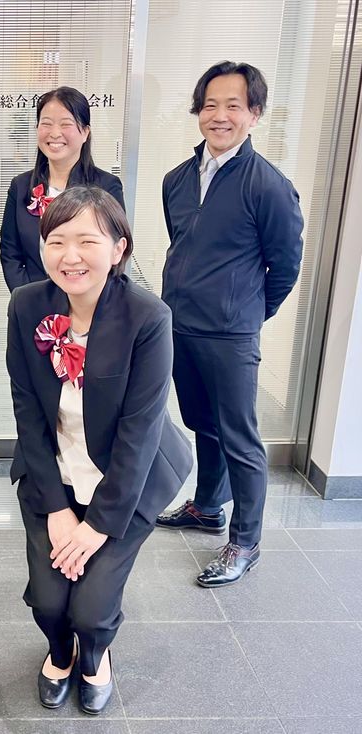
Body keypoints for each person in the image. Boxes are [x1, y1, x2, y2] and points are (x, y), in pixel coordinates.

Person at [6, 186, 192, 714]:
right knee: (49, 602)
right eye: (56, 241)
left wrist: (96, 527)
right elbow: (27, 414)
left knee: (90, 610)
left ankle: (94, 655)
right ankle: (58, 652)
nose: (70, 256)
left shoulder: (148, 317)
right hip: (54, 477)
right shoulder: (27, 306)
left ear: (118, 248)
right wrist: (57, 509)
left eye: (87, 241)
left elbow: (140, 434)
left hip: (126, 483)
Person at [155, 61, 303, 587]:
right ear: (198, 111)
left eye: (233, 106)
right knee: (202, 422)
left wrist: (247, 314)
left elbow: (285, 266)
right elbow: (183, 244)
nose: (220, 115)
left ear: (254, 114)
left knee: (240, 437)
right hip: (180, 325)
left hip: (231, 334)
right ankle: (207, 506)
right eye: (210, 105)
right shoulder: (176, 179)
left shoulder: (269, 186)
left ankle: (245, 540)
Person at [0, 86, 124, 292]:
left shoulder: (106, 186)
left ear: (85, 132)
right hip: (33, 300)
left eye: (66, 124)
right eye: (46, 124)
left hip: (88, 300)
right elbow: (10, 252)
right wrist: (29, 297)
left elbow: (112, 253)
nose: (55, 133)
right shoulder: (20, 186)